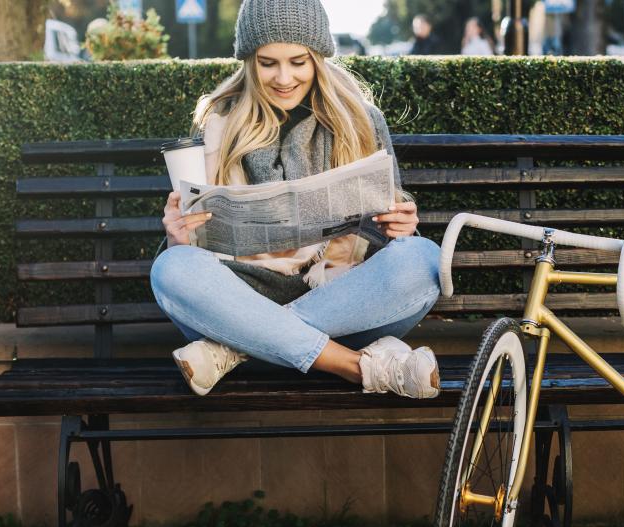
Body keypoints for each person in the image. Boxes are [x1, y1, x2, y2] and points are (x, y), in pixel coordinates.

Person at [151, 0, 443, 399]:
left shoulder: (362, 119)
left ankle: (232, 351)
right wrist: (178, 236)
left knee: (423, 259)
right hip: (238, 298)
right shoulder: (218, 120)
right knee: (171, 269)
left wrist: (398, 230)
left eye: (298, 61)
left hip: (341, 300)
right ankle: (358, 366)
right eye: (268, 62)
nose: (283, 77)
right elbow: (191, 252)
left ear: (318, 58)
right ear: (249, 60)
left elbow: (383, 242)